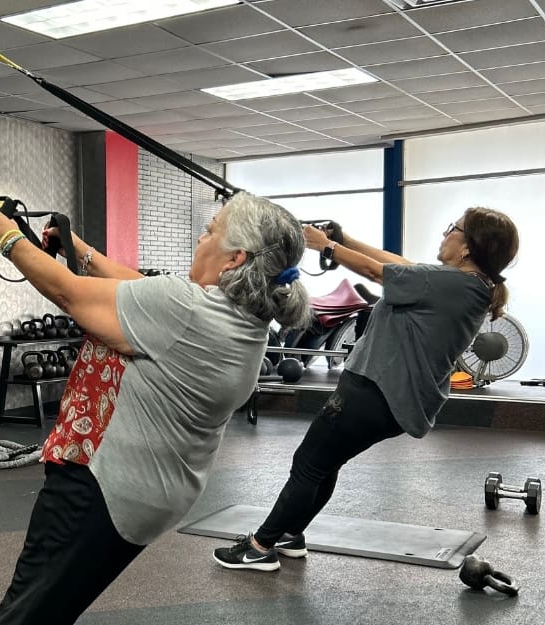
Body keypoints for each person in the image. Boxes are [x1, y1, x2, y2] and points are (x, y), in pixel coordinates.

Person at [0, 190, 312, 625]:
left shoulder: (188, 310)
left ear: (236, 258)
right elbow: (139, 290)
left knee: (43, 580)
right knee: (62, 585)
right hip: (156, 487)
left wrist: (8, 240)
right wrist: (78, 246)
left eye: (212, 229)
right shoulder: (235, 315)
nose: (202, 236)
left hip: (110, 477)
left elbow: (72, 296)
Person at [213, 208, 519, 572]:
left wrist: (326, 247)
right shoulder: (466, 284)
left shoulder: (454, 283)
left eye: (453, 228)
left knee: (308, 465)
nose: (445, 232)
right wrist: (345, 240)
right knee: (325, 463)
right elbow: (398, 263)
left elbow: (378, 272)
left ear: (468, 247)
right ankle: (291, 534)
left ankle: (260, 546)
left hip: (373, 392)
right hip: (389, 398)